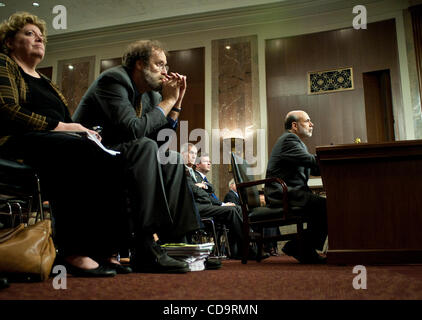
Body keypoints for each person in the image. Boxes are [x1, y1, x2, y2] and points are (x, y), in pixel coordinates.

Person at [0, 12, 129, 277]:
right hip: (16, 142)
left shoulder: (47, 82)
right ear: (10, 42)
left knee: (112, 159)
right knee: (76, 152)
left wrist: (87, 133)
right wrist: (67, 129)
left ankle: (104, 250)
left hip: (53, 142)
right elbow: (7, 110)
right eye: (29, 33)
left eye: (41, 36)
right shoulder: (3, 63)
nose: (39, 39)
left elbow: (68, 122)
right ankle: (73, 251)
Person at [73, 40, 201, 273]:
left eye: (166, 65)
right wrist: (168, 100)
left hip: (123, 154)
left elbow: (160, 141)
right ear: (140, 65)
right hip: (90, 154)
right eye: (159, 64)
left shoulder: (150, 96)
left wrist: (177, 101)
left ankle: (181, 245)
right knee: (144, 147)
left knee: (171, 159)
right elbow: (133, 130)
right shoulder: (114, 80)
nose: (166, 71)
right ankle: (144, 247)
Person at [181, 143, 264, 260]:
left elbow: (209, 189)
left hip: (204, 204)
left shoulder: (191, 171)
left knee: (238, 208)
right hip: (195, 208)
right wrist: (201, 189)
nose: (194, 156)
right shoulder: (183, 169)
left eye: (195, 153)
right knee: (231, 211)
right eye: (192, 153)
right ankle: (249, 246)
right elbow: (192, 190)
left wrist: (202, 187)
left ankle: (240, 250)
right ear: (184, 154)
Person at [264, 110, 327, 264]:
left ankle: (300, 246)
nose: (312, 124)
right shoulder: (289, 140)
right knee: (325, 206)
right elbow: (310, 161)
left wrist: (326, 164)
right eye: (307, 121)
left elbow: (312, 167)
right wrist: (329, 158)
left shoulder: (296, 143)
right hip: (282, 193)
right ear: (294, 125)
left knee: (321, 205)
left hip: (292, 192)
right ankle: (300, 246)